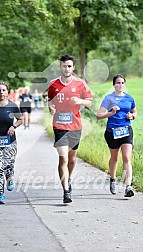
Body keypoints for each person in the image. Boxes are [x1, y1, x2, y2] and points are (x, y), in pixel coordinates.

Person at [48, 54, 92, 203]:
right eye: (63, 66)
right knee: (63, 158)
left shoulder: (80, 83)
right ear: (60, 66)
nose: (66, 68)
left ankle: (69, 177)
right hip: (59, 125)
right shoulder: (53, 84)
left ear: (73, 67)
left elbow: (89, 103)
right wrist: (51, 108)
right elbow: (50, 101)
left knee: (72, 158)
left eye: (69, 66)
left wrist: (80, 100)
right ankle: (66, 191)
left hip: (75, 125)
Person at [96, 74, 137, 197]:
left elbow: (134, 111)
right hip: (112, 131)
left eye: (122, 83)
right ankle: (113, 179)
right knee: (114, 158)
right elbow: (99, 115)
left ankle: (127, 186)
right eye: (118, 83)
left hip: (126, 130)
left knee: (126, 157)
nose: (120, 85)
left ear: (125, 84)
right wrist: (111, 112)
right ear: (113, 85)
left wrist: (132, 116)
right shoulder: (108, 99)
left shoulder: (129, 98)